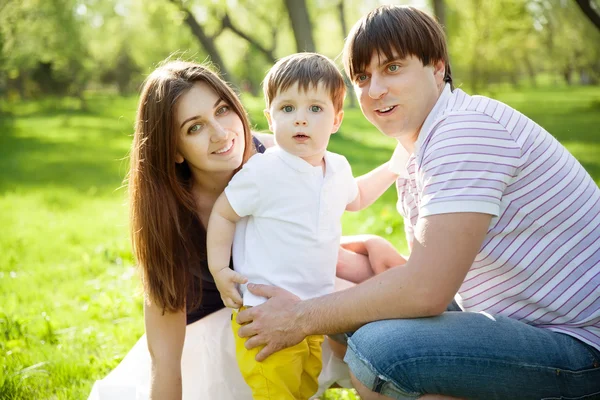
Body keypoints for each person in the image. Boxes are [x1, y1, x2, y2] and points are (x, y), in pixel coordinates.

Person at [233, 5, 600, 400]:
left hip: (578, 344)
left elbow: (426, 292)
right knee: (337, 303)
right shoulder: (422, 146)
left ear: (437, 68)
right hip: (517, 319)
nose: (374, 91)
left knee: (379, 352)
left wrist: (299, 318)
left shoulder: (464, 132)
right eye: (362, 76)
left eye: (392, 67)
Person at [88, 60, 361, 400]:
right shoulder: (171, 222)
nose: (220, 133)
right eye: (194, 128)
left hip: (283, 318)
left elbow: (312, 236)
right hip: (211, 350)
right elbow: (165, 358)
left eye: (221, 110)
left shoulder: (272, 157)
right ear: (174, 150)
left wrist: (370, 247)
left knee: (359, 277)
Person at [206, 53, 401, 400]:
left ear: (336, 119)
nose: (300, 120)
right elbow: (223, 214)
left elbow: (356, 197)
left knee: (307, 384)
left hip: (313, 310)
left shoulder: (338, 168)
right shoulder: (263, 172)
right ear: (270, 116)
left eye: (315, 109)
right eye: (287, 109)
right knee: (276, 388)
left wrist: (394, 166)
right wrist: (220, 268)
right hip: (264, 311)